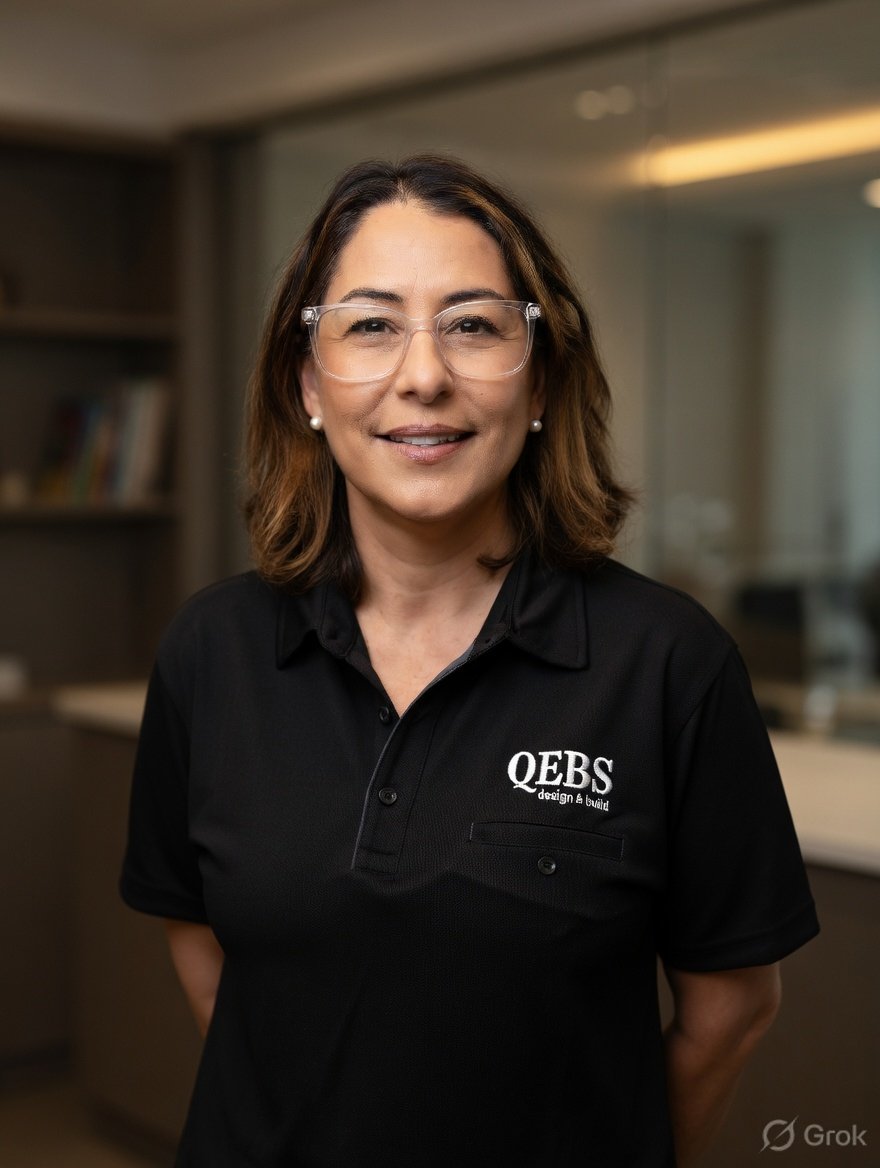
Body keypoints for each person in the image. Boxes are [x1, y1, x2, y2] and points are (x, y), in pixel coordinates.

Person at [121, 154, 819, 1168]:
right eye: (370, 324)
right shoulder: (211, 649)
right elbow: (210, 964)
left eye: (473, 323)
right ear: (306, 384)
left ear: (538, 381)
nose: (422, 375)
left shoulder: (667, 663)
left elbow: (731, 1009)